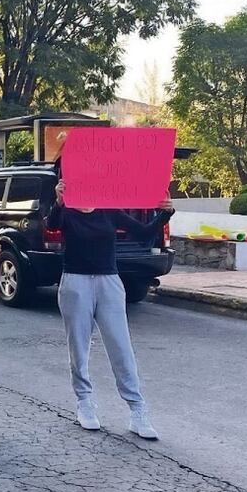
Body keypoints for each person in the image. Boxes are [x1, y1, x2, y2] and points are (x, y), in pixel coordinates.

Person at [48, 179, 172, 439]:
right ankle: (84, 402)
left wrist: (164, 213)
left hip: (109, 281)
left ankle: (137, 409)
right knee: (79, 347)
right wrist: (59, 201)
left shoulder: (109, 209)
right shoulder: (67, 210)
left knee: (121, 345)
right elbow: (51, 224)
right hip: (75, 282)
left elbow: (143, 233)